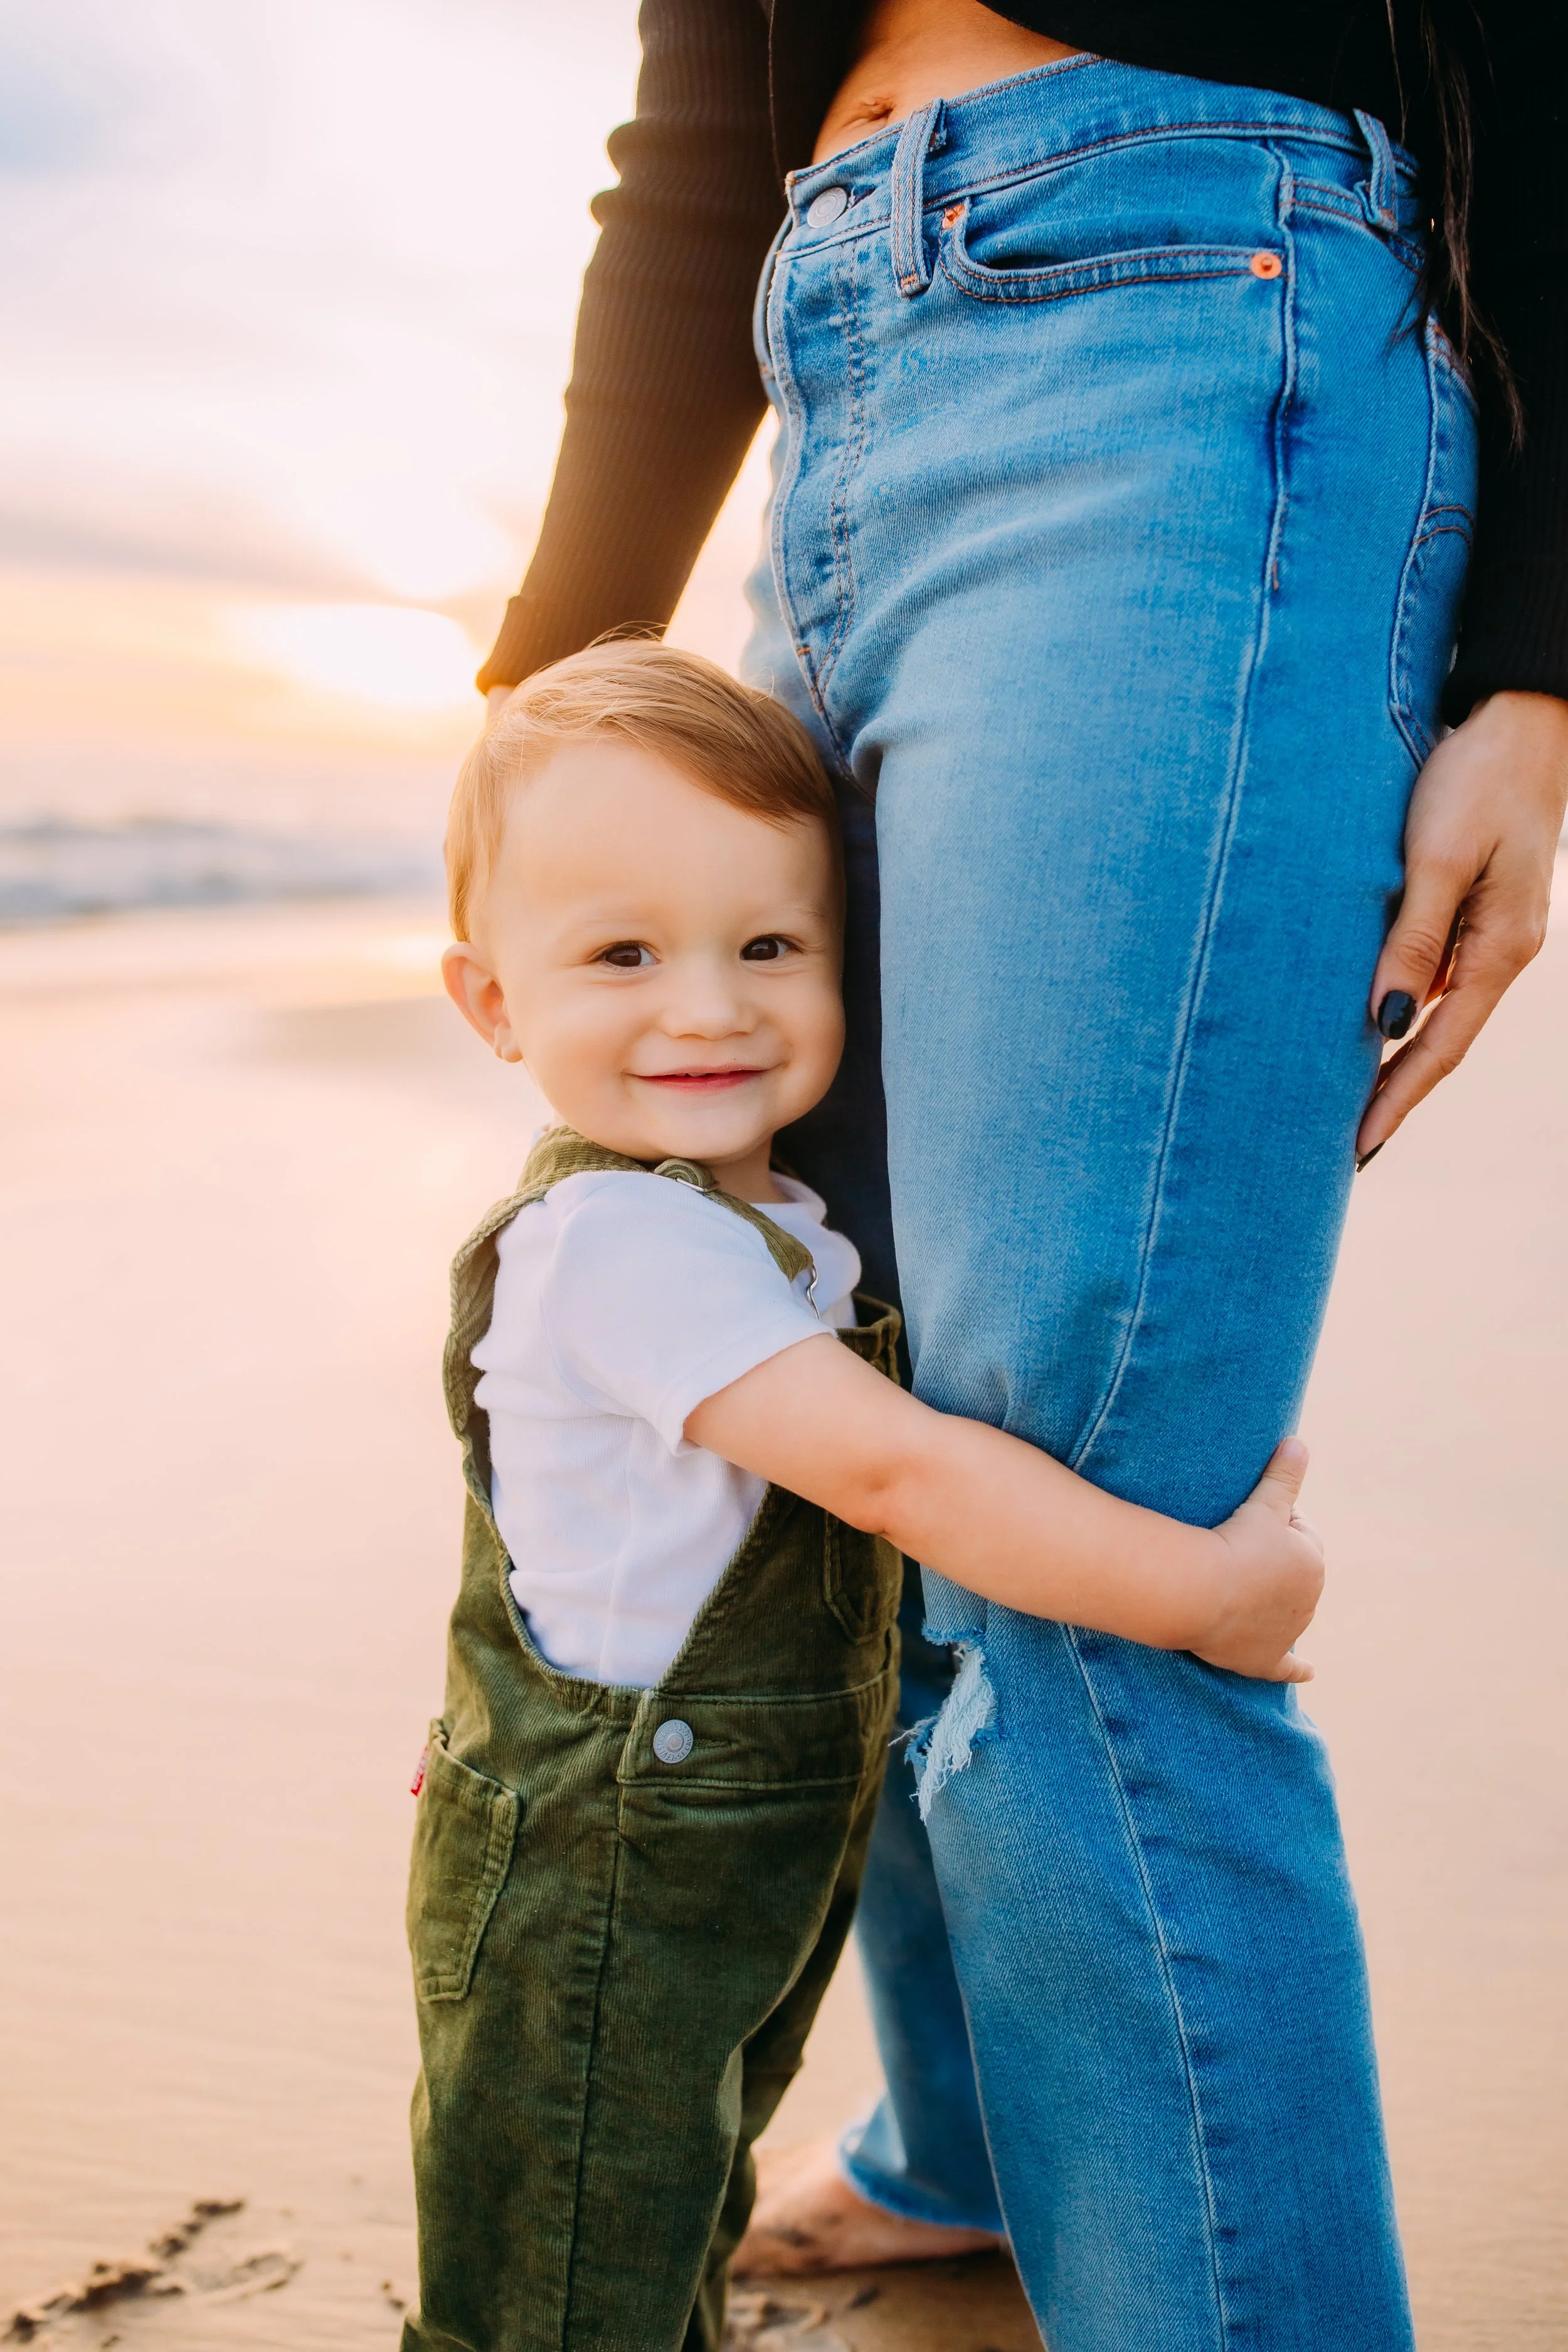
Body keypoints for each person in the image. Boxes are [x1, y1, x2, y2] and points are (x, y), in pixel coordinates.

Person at [475, 8, 1568, 2343]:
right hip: (828, 371)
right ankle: (969, 2145)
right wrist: (551, 682)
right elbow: (689, 139)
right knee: (824, 1401)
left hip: (1202, 313)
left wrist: (1544, 664)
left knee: (1087, 1542)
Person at [401, 641, 1324, 2352]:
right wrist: (1206, 1595)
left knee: (664, 2185)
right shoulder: (622, 1246)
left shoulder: (769, 1223)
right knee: (564, 2265)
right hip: (605, 1851)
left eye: (768, 944)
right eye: (622, 953)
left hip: (712, 1843)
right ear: (493, 1003)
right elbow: (894, 1472)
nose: (707, 1004)